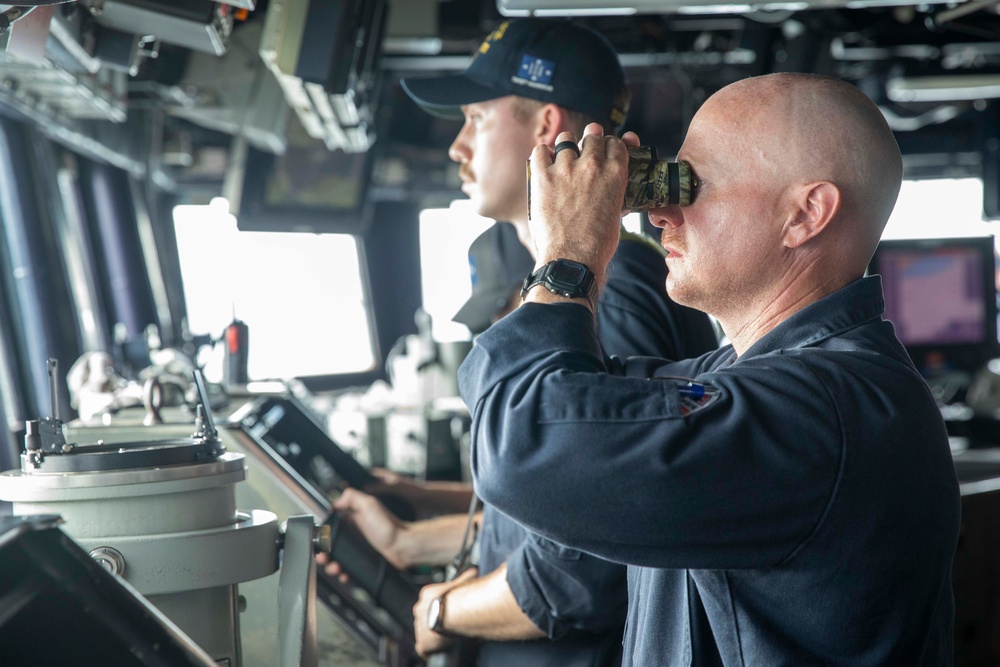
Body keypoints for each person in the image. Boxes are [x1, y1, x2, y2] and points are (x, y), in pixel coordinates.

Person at [457, 72, 962, 665]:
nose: (660, 213)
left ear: (805, 214)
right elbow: (550, 402)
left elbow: (524, 445)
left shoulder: (824, 410)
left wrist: (569, 258)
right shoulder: (751, 375)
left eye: (691, 184)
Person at [320, 16, 719, 666]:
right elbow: (553, 507)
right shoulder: (568, 287)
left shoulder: (612, 289)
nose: (457, 145)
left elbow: (594, 553)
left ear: (544, 127)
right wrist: (411, 540)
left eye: (476, 117)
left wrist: (442, 608)